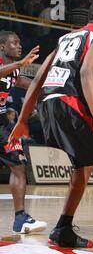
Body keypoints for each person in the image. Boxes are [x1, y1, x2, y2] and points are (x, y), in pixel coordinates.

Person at [9, 1, 93, 253]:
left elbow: (38, 79)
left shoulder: (65, 38)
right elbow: (85, 73)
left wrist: (22, 121)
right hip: (72, 105)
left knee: (83, 166)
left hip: (48, 106)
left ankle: (63, 229)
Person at [0, 31, 46, 234]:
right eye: (14, 43)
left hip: (2, 123)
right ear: (2, 46)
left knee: (18, 166)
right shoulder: (5, 65)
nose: (19, 46)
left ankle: (21, 219)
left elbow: (28, 83)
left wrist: (51, 83)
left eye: (20, 42)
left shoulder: (14, 70)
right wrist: (21, 63)